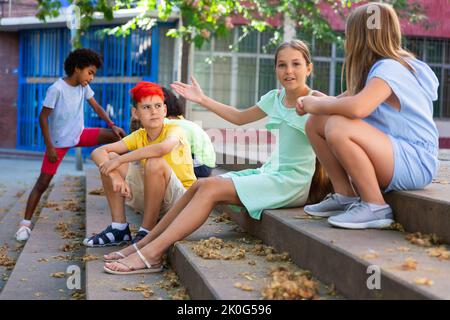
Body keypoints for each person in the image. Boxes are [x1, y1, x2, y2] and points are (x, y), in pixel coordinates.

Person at [101, 40, 331, 274]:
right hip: (270, 172)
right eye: (282, 65)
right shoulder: (275, 97)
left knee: (210, 189)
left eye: (296, 64)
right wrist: (202, 99)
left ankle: (152, 255)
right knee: (201, 185)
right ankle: (142, 244)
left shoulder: (315, 102)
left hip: (289, 183)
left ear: (309, 68)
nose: (289, 71)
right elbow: (239, 117)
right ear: (275, 69)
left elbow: (337, 135)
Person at [301, 2, 439, 229]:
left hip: (415, 161)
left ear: (359, 37)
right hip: (397, 154)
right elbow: (340, 102)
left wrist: (316, 103)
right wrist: (316, 103)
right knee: (317, 122)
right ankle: (345, 195)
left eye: (349, 35)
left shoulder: (390, 69)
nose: (347, 42)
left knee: (337, 126)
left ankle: (375, 206)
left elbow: (357, 108)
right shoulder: (380, 70)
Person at [15, 48, 126, 242]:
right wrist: (49, 147)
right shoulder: (56, 89)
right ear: (77, 68)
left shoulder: (83, 87)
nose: (91, 78)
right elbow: (42, 118)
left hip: (80, 134)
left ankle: (125, 175)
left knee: (117, 137)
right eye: (90, 72)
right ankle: (25, 225)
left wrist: (112, 125)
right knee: (42, 183)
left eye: (93, 74)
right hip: (58, 143)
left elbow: (97, 107)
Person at [83, 81, 196, 248]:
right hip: (155, 199)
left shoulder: (174, 129)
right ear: (135, 113)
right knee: (109, 158)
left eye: (158, 106)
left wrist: (121, 160)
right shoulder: (139, 135)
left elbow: (162, 148)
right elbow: (98, 152)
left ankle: (147, 231)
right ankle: (119, 228)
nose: (154, 111)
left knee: (154, 162)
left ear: (165, 110)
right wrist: (115, 177)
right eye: (146, 107)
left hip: (182, 202)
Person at [129, 87, 216, 177]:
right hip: (205, 163)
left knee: (157, 162)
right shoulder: (180, 121)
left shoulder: (168, 124)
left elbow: (161, 149)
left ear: (164, 108)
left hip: (201, 165)